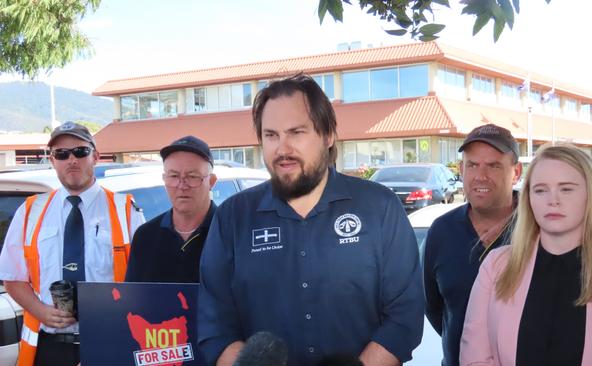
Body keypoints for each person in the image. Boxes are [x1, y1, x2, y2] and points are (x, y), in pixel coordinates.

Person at [198, 74, 424, 366]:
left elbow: (404, 316)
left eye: (297, 132)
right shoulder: (232, 218)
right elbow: (215, 327)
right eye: (271, 135)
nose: (282, 149)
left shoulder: (380, 208)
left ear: (328, 135)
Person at [460, 143, 592, 365]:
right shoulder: (496, 266)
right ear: (528, 199)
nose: (553, 200)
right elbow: (474, 357)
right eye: (540, 190)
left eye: (566, 188)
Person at [0, 121, 145, 366]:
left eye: (80, 151)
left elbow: (145, 280)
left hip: (110, 342)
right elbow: (12, 277)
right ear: (53, 160)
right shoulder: (30, 211)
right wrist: (40, 310)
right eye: (62, 154)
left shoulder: (125, 211)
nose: (72, 160)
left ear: (96, 156)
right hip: (49, 348)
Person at [422, 123, 522, 366]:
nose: (481, 176)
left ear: (516, 172)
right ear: (461, 169)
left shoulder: (541, 229)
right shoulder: (441, 231)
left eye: (494, 165)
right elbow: (435, 308)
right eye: (473, 165)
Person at [125, 135, 217, 283]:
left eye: (192, 176)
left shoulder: (230, 232)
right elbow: (134, 299)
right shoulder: (145, 236)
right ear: (164, 179)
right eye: (174, 176)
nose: (182, 185)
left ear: (211, 181)